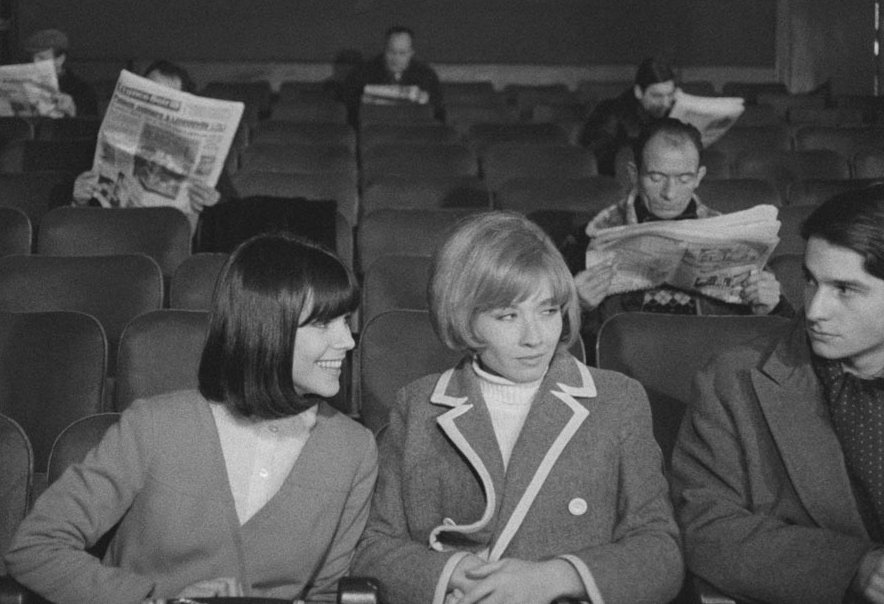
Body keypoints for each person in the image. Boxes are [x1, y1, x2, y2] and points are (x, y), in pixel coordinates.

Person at [5, 233, 377, 603]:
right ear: (265, 329)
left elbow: (329, 596)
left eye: (346, 321)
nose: (347, 341)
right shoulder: (154, 426)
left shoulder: (353, 450)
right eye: (324, 324)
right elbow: (37, 546)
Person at [352, 210, 683, 604]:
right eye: (508, 315)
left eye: (547, 310)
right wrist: (456, 574)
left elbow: (660, 553)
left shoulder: (615, 399)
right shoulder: (419, 406)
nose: (535, 337)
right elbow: (374, 548)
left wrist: (553, 578)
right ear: (464, 319)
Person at [672, 184, 884, 604]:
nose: (815, 309)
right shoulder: (733, 379)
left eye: (845, 289)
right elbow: (704, 526)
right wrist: (851, 567)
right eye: (810, 280)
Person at [568, 117, 788, 326]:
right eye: (656, 178)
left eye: (684, 179)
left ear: (699, 177)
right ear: (634, 174)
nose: (670, 194)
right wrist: (576, 305)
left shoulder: (729, 234)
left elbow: (781, 331)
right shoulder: (592, 236)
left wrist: (771, 308)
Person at [72, 60, 221, 230]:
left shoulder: (199, 155)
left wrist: (212, 203)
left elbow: (225, 211)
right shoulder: (103, 142)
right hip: (110, 240)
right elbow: (75, 223)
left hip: (168, 245)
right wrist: (78, 200)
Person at [580, 57, 677, 177]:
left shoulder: (673, 110)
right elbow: (595, 162)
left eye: (670, 95)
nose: (666, 103)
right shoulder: (610, 113)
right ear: (638, 92)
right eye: (657, 96)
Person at [344, 26, 442, 124]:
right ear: (384, 50)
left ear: (411, 53)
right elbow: (349, 107)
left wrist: (425, 100)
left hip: (413, 132)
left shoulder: (426, 75)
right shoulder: (363, 73)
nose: (396, 58)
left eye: (402, 53)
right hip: (374, 131)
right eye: (391, 52)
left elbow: (438, 111)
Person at [23, 28, 99, 118]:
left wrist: (72, 112)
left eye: (42, 58)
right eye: (32, 58)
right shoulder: (24, 80)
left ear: (60, 60)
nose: (35, 63)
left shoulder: (81, 90)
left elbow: (90, 127)